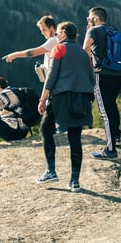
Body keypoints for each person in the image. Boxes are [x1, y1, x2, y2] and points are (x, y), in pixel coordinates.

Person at [35, 21, 94, 192]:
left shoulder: (58, 49)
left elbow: (51, 76)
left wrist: (43, 98)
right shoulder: (84, 54)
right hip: (82, 98)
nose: (56, 35)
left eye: (58, 32)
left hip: (62, 96)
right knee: (75, 139)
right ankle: (74, 181)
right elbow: (91, 78)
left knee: (46, 129)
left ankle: (51, 171)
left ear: (65, 34)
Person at [2, 15, 65, 133]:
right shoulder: (55, 41)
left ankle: (58, 133)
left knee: (51, 115)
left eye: (44, 30)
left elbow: (33, 52)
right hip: (54, 83)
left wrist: (15, 55)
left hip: (55, 84)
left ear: (52, 28)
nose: (43, 33)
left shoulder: (53, 40)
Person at [83, 7, 121, 160]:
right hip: (118, 75)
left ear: (96, 18)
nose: (87, 21)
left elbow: (85, 49)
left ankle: (110, 150)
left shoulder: (93, 31)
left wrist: (90, 68)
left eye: (89, 18)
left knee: (105, 112)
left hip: (102, 75)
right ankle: (117, 137)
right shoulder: (111, 31)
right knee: (112, 105)